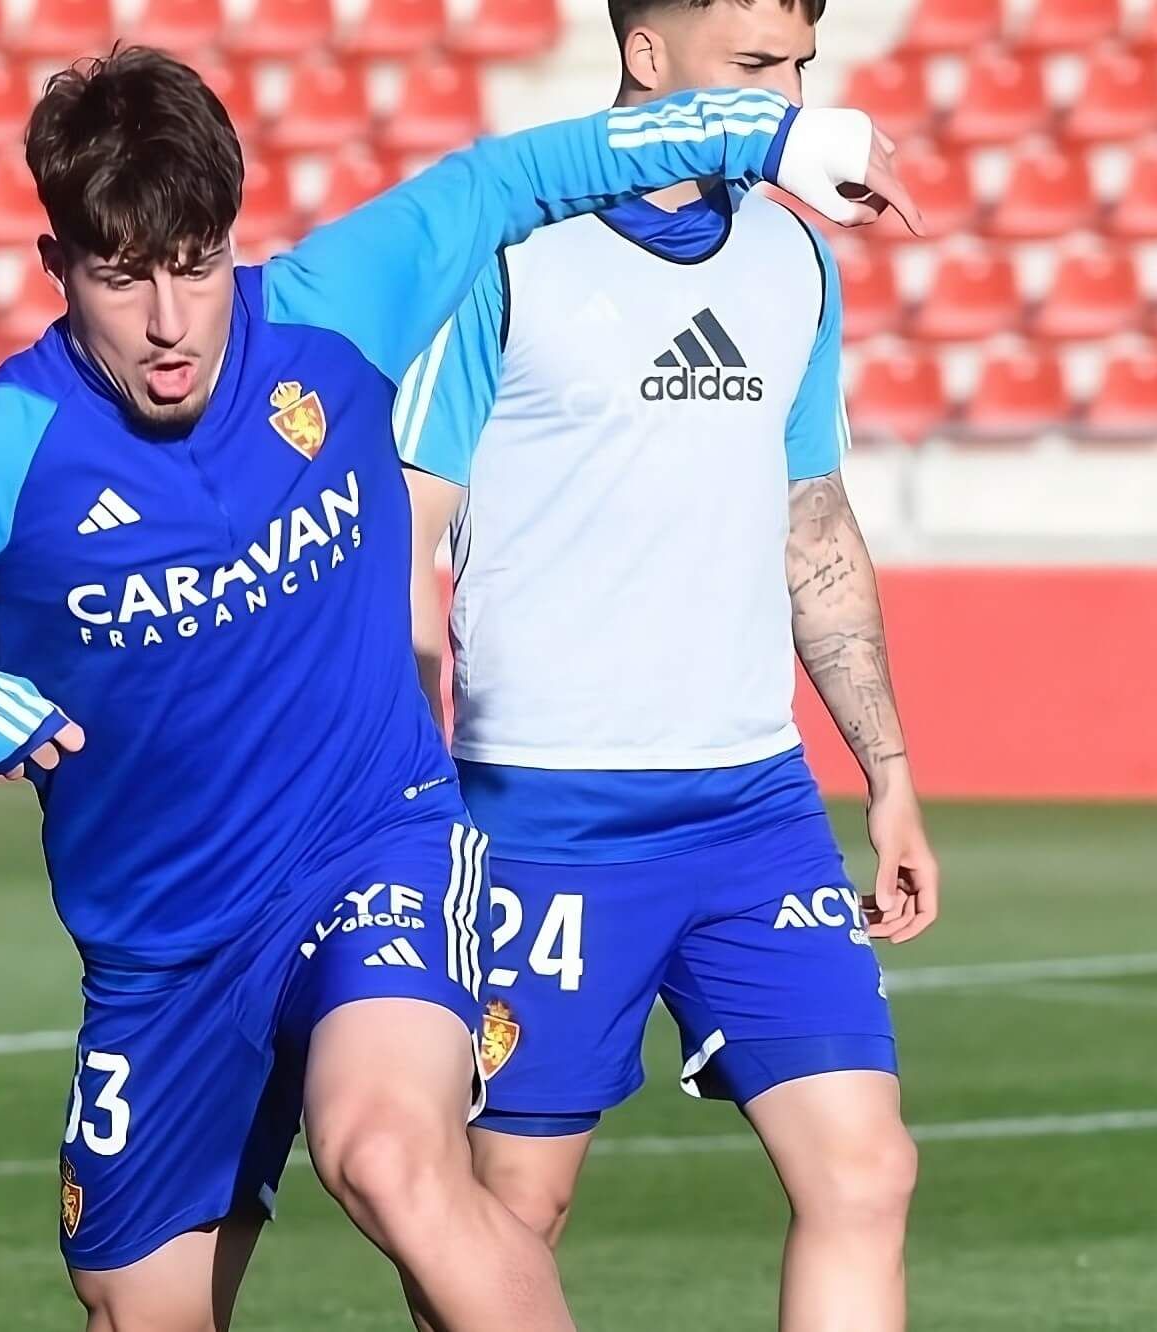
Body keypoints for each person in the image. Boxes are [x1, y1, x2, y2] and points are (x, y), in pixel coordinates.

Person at [0, 44, 915, 1332]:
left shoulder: (336, 309)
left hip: (372, 849)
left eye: (197, 267)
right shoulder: (8, 447)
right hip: (163, 949)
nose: (171, 323)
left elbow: (523, 176)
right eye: (123, 281)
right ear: (56, 266)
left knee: (387, 1155)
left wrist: (766, 138)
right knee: (142, 1311)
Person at [397, 2, 940, 1327]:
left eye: (799, 66)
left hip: (752, 807)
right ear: (646, 56)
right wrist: (408, 800)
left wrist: (887, 772)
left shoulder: (792, 257)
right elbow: (409, 540)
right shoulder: (508, 253)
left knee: (867, 1171)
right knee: (510, 1212)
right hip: (542, 814)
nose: (788, 97)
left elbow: (809, 518)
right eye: (755, 68)